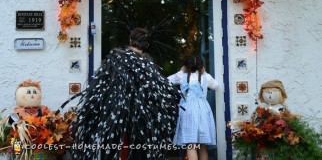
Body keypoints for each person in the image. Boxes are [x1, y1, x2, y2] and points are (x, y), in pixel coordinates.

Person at [72, 27, 181, 160]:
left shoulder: (115, 59)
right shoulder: (149, 67)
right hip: (141, 117)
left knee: (114, 148)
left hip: (115, 113)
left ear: (130, 40)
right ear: (146, 45)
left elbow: (100, 86)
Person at [168, 55, 219, 160]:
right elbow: (216, 86)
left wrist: (181, 71)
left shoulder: (182, 76)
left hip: (188, 111)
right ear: (201, 66)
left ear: (186, 66)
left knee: (191, 145)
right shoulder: (206, 77)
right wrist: (205, 73)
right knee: (203, 146)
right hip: (203, 111)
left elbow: (167, 80)